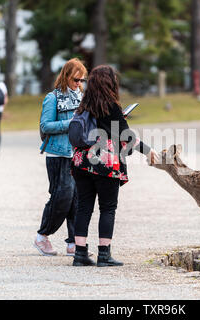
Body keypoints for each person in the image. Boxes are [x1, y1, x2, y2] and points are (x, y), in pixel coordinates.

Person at [71, 65, 159, 267]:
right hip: (104, 162)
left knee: (83, 207)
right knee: (108, 208)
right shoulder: (110, 106)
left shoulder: (84, 105)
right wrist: (148, 151)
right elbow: (126, 137)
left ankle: (80, 254)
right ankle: (104, 255)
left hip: (81, 162)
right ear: (111, 83)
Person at [34, 58, 88, 257]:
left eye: (82, 80)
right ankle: (42, 235)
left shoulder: (81, 97)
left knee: (76, 199)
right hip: (58, 154)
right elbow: (45, 126)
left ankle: (73, 242)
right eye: (76, 80)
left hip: (77, 153)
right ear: (66, 76)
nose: (79, 84)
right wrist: (71, 124)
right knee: (61, 196)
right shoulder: (53, 97)